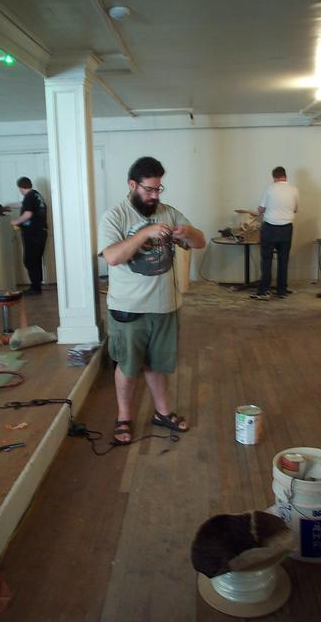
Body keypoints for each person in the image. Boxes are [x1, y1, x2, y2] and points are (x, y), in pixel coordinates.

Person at [98, 156, 205, 444]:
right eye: (149, 189)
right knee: (128, 366)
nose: (155, 196)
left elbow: (200, 242)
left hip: (165, 306)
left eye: (159, 189)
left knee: (157, 364)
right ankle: (124, 417)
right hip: (128, 307)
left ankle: (162, 412)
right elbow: (113, 256)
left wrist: (189, 233)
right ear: (132, 185)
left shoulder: (168, 212)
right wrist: (145, 232)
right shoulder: (115, 216)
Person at [250, 166, 299, 300]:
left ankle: (264, 291)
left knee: (266, 260)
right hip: (286, 228)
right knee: (283, 260)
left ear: (274, 177)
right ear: (285, 176)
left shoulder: (269, 189)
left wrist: (263, 209)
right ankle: (281, 290)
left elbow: (260, 209)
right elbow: (295, 209)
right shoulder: (294, 190)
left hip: (270, 228)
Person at [9, 177, 48, 296]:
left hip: (33, 234)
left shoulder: (30, 197)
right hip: (40, 233)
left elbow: (28, 214)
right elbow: (23, 204)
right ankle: (37, 286)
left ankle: (35, 288)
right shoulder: (36, 195)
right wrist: (8, 206)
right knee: (35, 260)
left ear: (21, 188)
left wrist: (15, 222)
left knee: (30, 261)